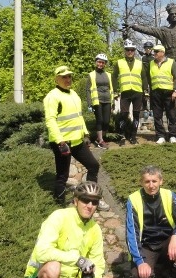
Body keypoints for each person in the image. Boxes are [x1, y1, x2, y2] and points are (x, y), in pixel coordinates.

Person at [23, 181, 119, 278]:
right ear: (75, 200)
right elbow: (42, 252)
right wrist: (77, 259)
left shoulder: (94, 229)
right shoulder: (59, 217)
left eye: (94, 202)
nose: (90, 205)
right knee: (53, 267)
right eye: (85, 200)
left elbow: (98, 264)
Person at [44, 65, 110, 211]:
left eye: (69, 76)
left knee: (93, 165)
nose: (68, 79)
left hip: (77, 141)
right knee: (63, 175)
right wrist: (60, 141)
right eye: (64, 77)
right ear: (56, 79)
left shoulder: (73, 94)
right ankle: (59, 206)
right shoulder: (52, 96)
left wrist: (85, 134)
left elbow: (79, 117)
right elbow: (50, 121)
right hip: (62, 143)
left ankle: (90, 198)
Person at [125, 165, 176, 278]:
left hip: (167, 242)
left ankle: (174, 277)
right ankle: (156, 268)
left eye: (154, 181)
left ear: (161, 181)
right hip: (147, 245)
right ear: (141, 182)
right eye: (147, 181)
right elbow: (132, 234)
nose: (151, 185)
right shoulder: (133, 199)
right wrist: (140, 261)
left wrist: (175, 236)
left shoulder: (169, 195)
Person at [123, 2, 176, 111]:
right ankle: (171, 106)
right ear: (168, 16)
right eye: (172, 14)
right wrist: (134, 26)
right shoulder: (163, 31)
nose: (174, 15)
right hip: (168, 60)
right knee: (169, 82)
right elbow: (149, 30)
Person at [112, 39, 147, 146]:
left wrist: (145, 91)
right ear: (125, 51)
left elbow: (144, 77)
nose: (130, 52)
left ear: (134, 51)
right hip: (125, 92)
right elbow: (114, 76)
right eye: (128, 50)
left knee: (136, 114)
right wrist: (115, 90)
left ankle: (133, 136)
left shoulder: (139, 63)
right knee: (123, 114)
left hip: (137, 92)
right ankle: (123, 135)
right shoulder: (119, 62)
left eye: (132, 50)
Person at [148, 44, 176, 144]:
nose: (154, 53)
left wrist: (175, 91)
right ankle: (160, 136)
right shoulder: (151, 63)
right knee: (157, 115)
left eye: (156, 52)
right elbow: (149, 78)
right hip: (155, 92)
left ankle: (173, 135)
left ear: (162, 53)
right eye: (154, 52)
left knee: (171, 114)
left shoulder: (171, 62)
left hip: (168, 92)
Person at [85, 53, 114, 149]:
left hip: (108, 100)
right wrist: (89, 104)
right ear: (96, 62)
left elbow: (111, 88)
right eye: (99, 62)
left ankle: (98, 138)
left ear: (105, 64)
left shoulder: (108, 75)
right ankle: (101, 141)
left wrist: (113, 101)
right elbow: (88, 90)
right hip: (97, 101)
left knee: (106, 122)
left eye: (102, 63)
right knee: (100, 120)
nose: (100, 64)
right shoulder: (91, 75)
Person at [141, 41, 155, 119]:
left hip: (152, 77)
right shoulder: (143, 58)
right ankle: (145, 108)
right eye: (147, 48)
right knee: (145, 93)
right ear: (145, 49)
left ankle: (152, 109)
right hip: (144, 77)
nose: (148, 50)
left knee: (153, 93)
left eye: (149, 48)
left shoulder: (153, 58)